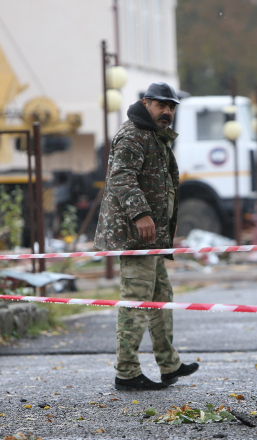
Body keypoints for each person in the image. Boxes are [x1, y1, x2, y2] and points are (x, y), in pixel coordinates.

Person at [94, 82, 199, 390]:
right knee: (137, 301)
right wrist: (141, 213)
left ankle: (169, 364)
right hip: (134, 235)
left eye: (171, 107)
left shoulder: (153, 135)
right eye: (160, 105)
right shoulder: (133, 135)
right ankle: (127, 372)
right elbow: (121, 177)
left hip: (151, 237)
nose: (167, 111)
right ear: (145, 103)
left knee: (161, 298)